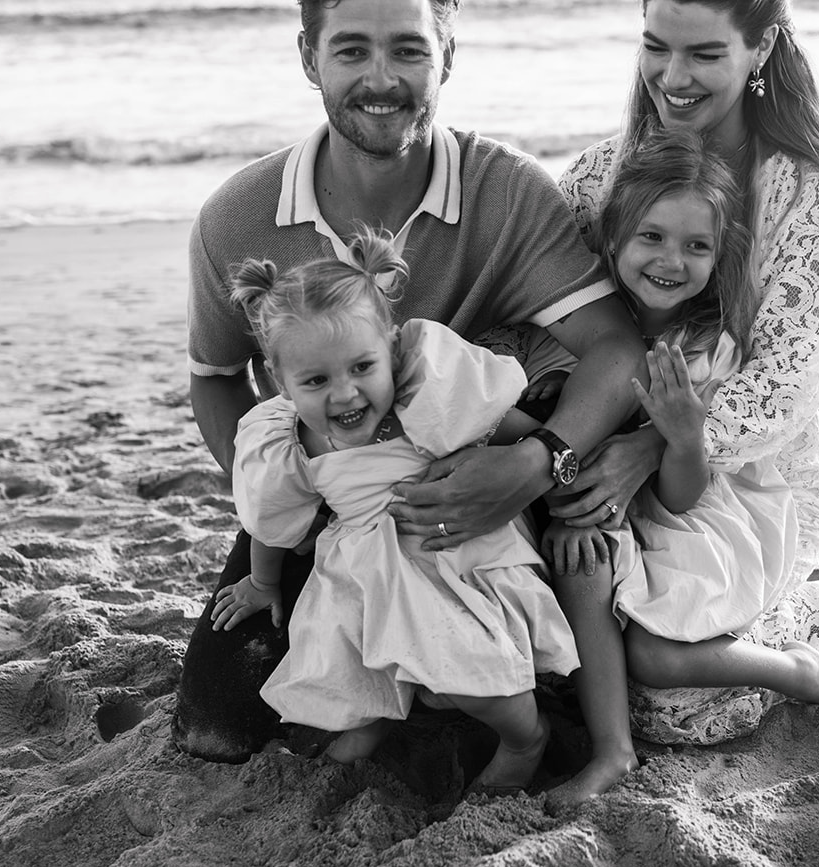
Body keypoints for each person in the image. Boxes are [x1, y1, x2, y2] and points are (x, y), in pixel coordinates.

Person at [177, 0, 649, 763]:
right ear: (308, 58)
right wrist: (296, 494)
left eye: (408, 51)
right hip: (333, 494)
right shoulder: (236, 218)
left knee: (502, 687)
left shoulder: (507, 193)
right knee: (221, 727)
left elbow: (616, 350)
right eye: (352, 51)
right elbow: (216, 379)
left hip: (474, 492)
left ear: (448, 56)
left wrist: (535, 463)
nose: (381, 79)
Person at [547, 0, 819, 748]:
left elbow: (789, 379)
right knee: (557, 655)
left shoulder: (805, 195)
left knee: (667, 707)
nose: (671, 77)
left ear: (761, 46)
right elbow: (533, 305)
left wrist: (652, 446)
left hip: (742, 487)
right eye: (655, 47)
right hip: (602, 454)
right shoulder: (601, 175)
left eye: (704, 55)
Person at [210, 231, 576, 792]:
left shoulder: (425, 399)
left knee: (465, 673)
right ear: (281, 382)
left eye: (362, 367)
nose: (345, 394)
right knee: (353, 672)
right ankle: (374, 724)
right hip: (364, 570)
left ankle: (525, 739)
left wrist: (556, 476)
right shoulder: (291, 440)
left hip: (450, 554)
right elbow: (272, 518)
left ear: (390, 348)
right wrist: (261, 583)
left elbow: (519, 437)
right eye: (316, 380)